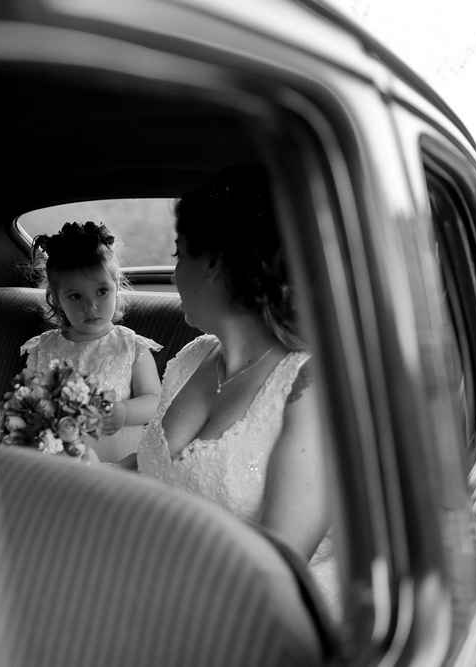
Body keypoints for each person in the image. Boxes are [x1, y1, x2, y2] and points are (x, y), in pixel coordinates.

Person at [136, 164, 339, 616]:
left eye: (178, 254)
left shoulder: (309, 387)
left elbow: (278, 577)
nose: (173, 275)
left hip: (243, 619)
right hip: (153, 580)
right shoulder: (193, 356)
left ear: (212, 263)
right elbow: (155, 467)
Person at [21, 221, 162, 463]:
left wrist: (125, 411)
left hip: (118, 459)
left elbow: (156, 401)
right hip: (60, 460)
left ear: (116, 287)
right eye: (75, 296)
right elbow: (30, 401)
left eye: (101, 291)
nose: (90, 306)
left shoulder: (130, 345)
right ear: (56, 300)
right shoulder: (42, 348)